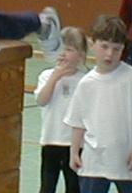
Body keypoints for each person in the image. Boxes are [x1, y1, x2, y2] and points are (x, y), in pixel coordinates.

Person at [66, 15, 132, 193]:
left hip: (127, 162)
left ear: (123, 49)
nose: (109, 54)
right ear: (92, 44)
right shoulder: (86, 84)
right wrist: (74, 152)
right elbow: (78, 122)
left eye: (116, 49)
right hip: (94, 163)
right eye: (104, 46)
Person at [34, 26, 87, 193]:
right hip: (51, 140)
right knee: (47, 186)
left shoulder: (85, 81)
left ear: (81, 55)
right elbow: (42, 100)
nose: (63, 54)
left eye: (69, 50)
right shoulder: (46, 76)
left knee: (74, 187)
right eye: (60, 49)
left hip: (76, 144)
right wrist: (55, 77)